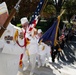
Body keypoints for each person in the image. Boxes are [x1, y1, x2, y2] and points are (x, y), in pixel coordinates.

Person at [0, 2, 24, 75]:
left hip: (9, 69)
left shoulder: (17, 31)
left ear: (7, 16)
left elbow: (21, 49)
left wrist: (3, 46)